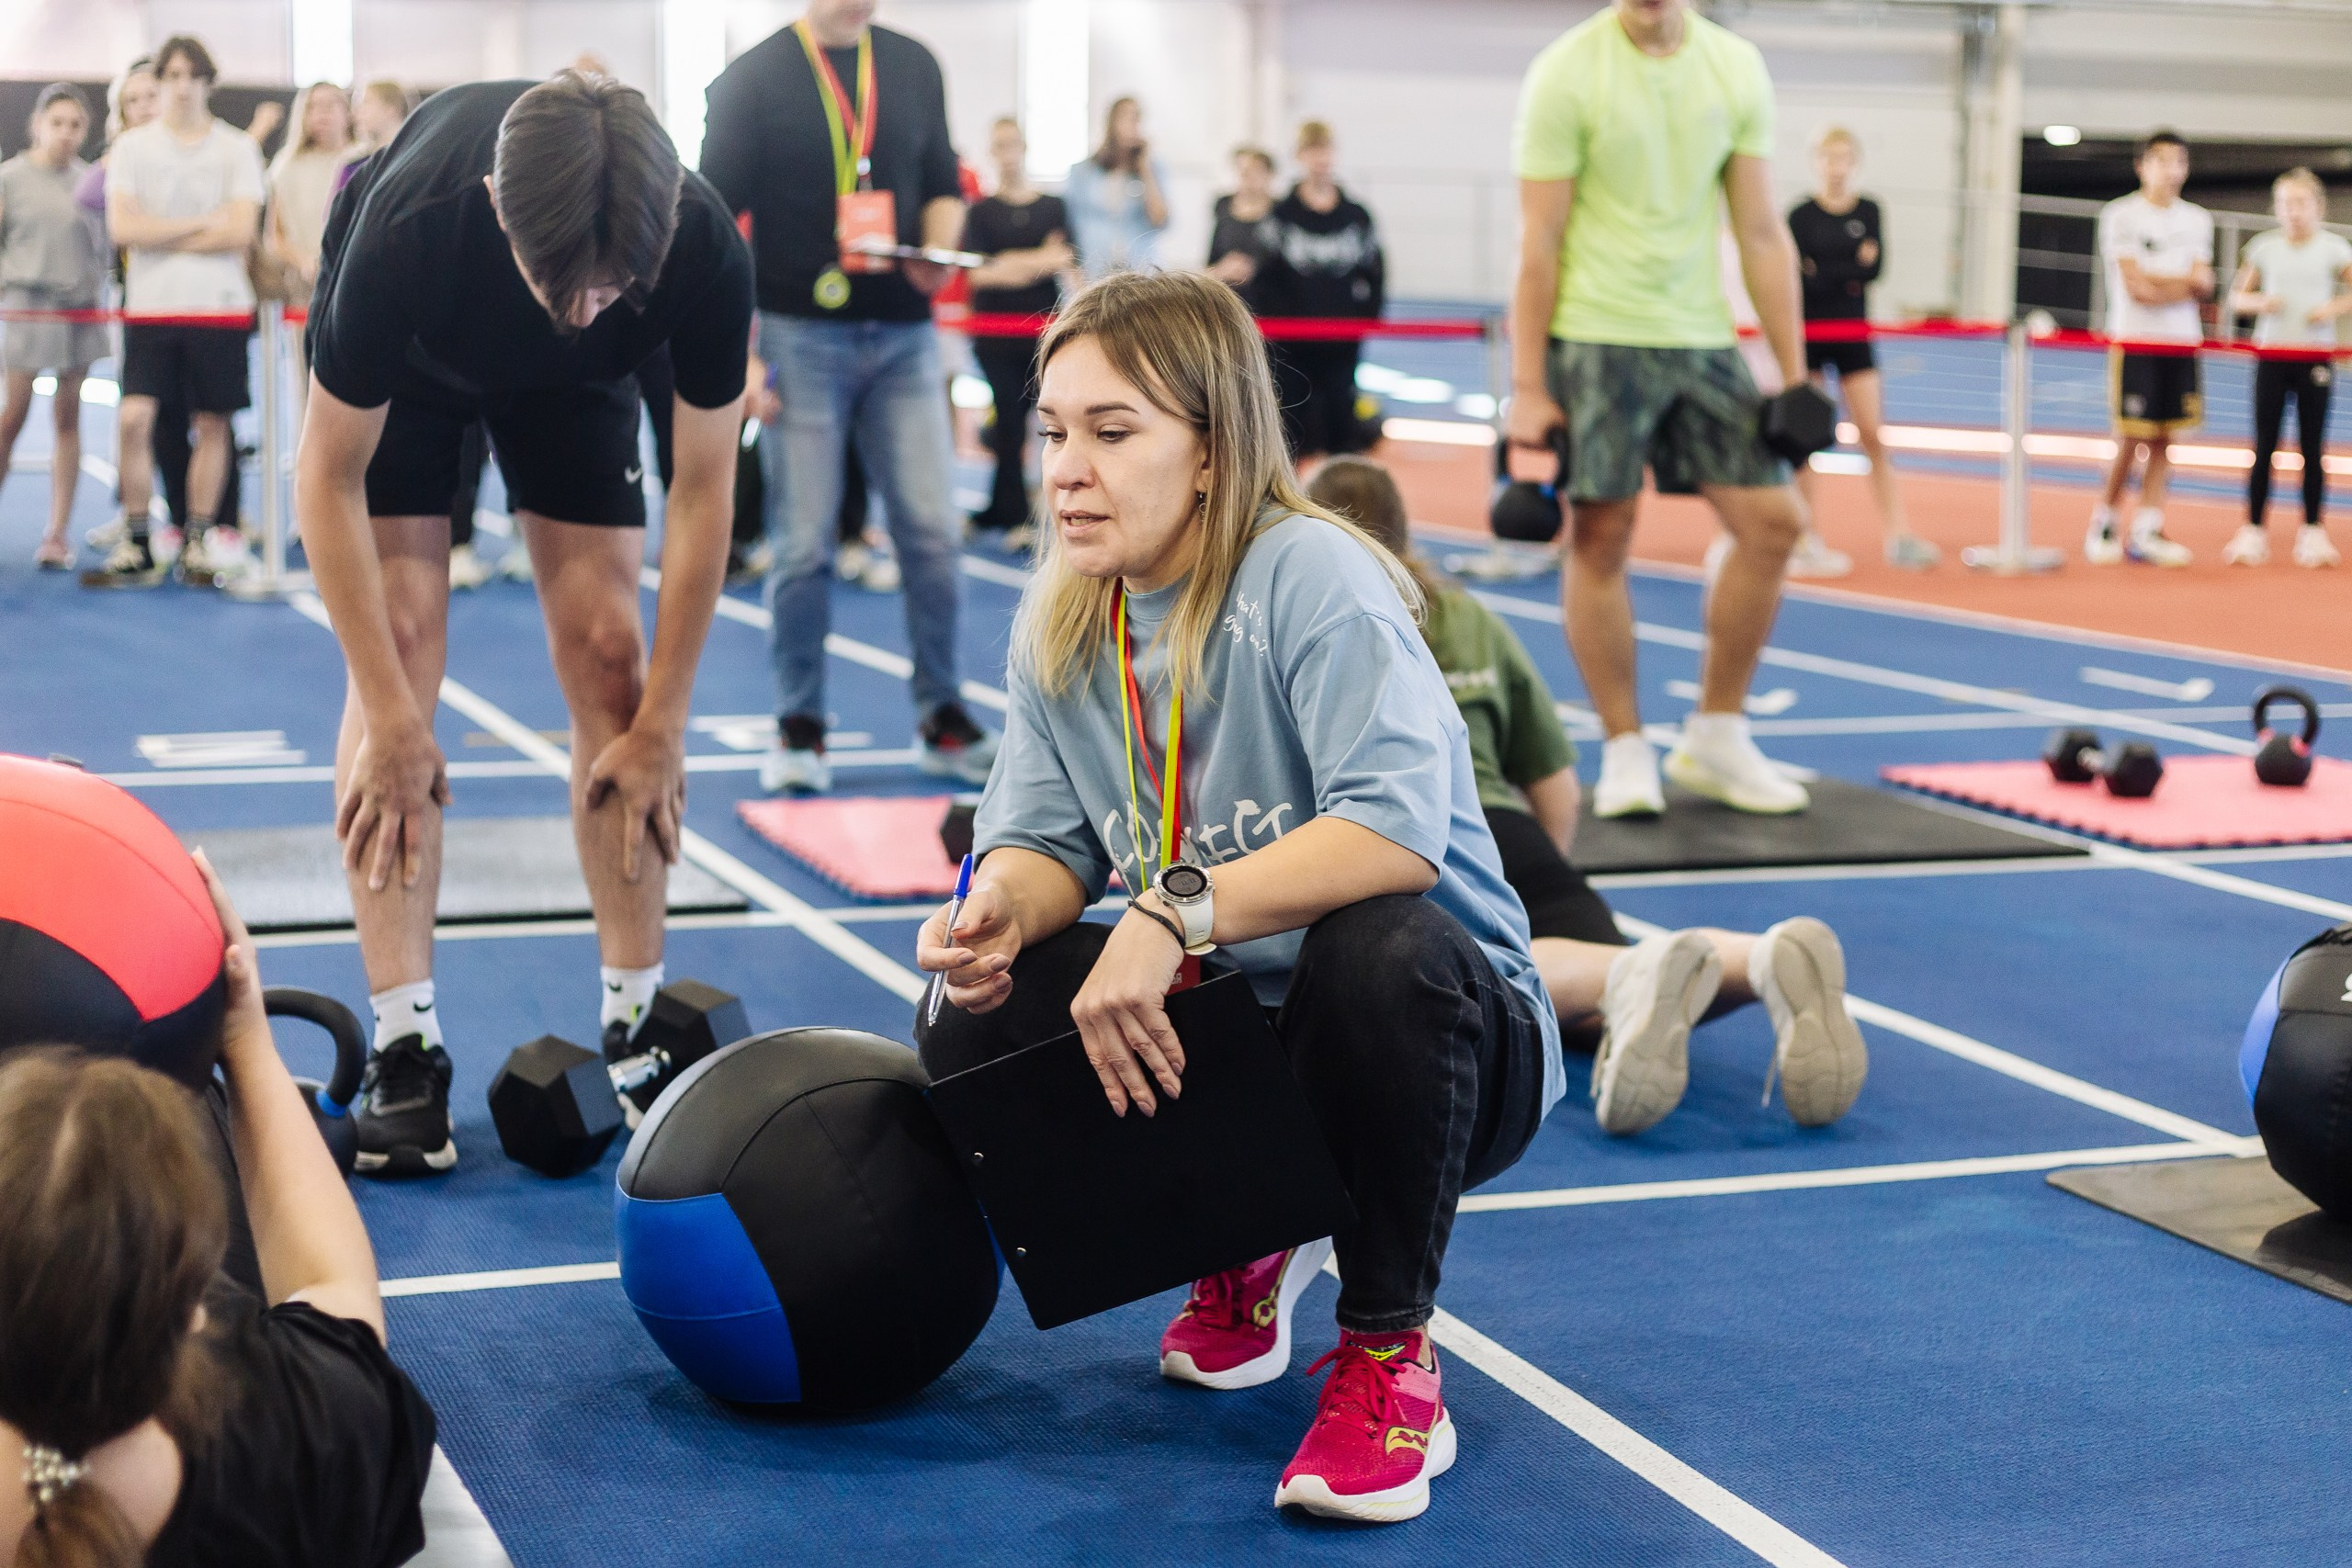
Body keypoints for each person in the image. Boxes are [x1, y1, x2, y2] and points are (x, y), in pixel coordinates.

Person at [914, 270, 1560, 1525]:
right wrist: (991, 911)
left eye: (1113, 432)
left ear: (1211, 451)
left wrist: (1165, 911)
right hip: (1246, 1043)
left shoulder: (1312, 572)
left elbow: (1393, 832)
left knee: (1377, 950)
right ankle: (1246, 1233)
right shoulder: (1067, 614)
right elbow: (1039, 841)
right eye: (1052, 431)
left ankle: (1389, 1354)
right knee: (978, 1012)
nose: (1066, 471)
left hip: (1449, 1044)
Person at [299, 71, 754, 1174]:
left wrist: (665, 725)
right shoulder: (411, 225)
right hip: (415, 373)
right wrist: (393, 721)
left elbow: (704, 492)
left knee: (612, 661)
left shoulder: (696, 242)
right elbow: (327, 477)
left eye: (614, 288)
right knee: (402, 648)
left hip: (572, 393)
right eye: (569, 285)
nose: (590, 307)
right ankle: (405, 1043)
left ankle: (635, 1021)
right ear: (501, 205)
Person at [1306, 456, 1866, 1134]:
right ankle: (1758, 960)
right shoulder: (1467, 616)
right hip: (1509, 831)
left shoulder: (1317, 621)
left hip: (1410, 841)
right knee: (1598, 1009)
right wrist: (1541, 870)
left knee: (1513, 977)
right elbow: (1555, 783)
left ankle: (1631, 972)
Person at [0, 852, 435, 1566]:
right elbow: (334, 1289)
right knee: (177, 1107)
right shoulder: (297, 1439)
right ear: (195, 1311)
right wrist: (245, 1039)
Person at [1509, 0, 1812, 821]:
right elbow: (1539, 240)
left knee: (1773, 523)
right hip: (1595, 334)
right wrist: (1528, 383)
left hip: (1700, 335)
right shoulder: (1567, 72)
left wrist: (1794, 376)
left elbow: (1760, 230)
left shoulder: (1735, 67)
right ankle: (1624, 745)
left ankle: (1717, 731)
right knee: (1602, 535)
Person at [701, 0, 1001, 796]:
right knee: (803, 546)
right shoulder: (753, 78)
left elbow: (943, 183)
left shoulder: (913, 63)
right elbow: (711, 220)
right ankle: (799, 724)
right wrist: (739, 354)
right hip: (798, 336)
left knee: (932, 533)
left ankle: (943, 716)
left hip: (903, 334)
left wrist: (936, 248)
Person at [93, 35, 266, 589]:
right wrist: (202, 223)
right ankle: (139, 538)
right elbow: (124, 228)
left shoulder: (236, 148)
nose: (183, 86)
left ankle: (198, 538)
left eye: (193, 76)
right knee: (134, 419)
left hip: (220, 308)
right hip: (150, 308)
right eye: (172, 75)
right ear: (160, 80)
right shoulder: (132, 148)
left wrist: (161, 231)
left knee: (212, 422)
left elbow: (240, 231)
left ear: (208, 83)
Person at [1789, 127, 1935, 570]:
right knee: (1806, 439)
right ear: (1817, 161)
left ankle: (1900, 534)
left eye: (1844, 158)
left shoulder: (1869, 210)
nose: (1836, 167)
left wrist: (1827, 270)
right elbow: (1804, 279)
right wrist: (1848, 268)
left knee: (1872, 433)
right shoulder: (1799, 216)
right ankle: (1805, 536)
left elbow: (1874, 271)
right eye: (1829, 157)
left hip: (1854, 335)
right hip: (1811, 335)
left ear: (1855, 163)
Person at [2088, 130, 2213, 569]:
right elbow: (2137, 288)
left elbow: (2204, 284)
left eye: (2179, 161)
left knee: (2165, 437)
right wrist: (2182, 283)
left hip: (2181, 340)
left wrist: (2163, 280)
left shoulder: (2197, 220)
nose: (2171, 170)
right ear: (2142, 166)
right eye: (2161, 161)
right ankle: (2104, 522)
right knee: (2130, 436)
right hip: (2135, 338)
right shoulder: (2120, 215)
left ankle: (2147, 527)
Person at [0, 84, 107, 570]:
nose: (66, 133)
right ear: (37, 125)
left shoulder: (91, 181)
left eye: (76, 125)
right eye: (57, 123)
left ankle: (57, 533)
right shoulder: (11, 178)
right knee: (12, 415)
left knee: (68, 417)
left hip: (79, 307)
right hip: (27, 305)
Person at [2223, 167, 2352, 570]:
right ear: (2276, 208)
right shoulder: (2264, 247)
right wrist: (2261, 302)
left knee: (2313, 447)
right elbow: (2236, 298)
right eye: (2286, 203)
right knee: (2265, 445)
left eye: (2301, 203)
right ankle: (2253, 530)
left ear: (2318, 207)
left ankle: (2313, 531)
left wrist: (2333, 307)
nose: (2294, 211)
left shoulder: (2334, 248)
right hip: (2272, 356)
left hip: (2315, 356)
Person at [964, 116, 1073, 541]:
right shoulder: (981, 212)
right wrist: (1039, 260)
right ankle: (1012, 512)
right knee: (1008, 416)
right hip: (994, 333)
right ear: (992, 153)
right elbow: (979, 275)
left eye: (1013, 143)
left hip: (1041, 332)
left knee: (1030, 420)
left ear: (1024, 147)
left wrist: (1008, 263)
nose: (1008, 153)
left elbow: (1066, 260)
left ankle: (1006, 507)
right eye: (1000, 145)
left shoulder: (1053, 206)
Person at [1260, 120, 1384, 459]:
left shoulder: (1356, 215)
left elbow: (1376, 270)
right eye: (1313, 150)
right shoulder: (1280, 215)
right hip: (1291, 344)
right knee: (1289, 430)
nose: (1321, 159)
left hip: (1342, 341)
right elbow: (1265, 275)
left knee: (1342, 424)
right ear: (1299, 156)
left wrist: (1366, 318)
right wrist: (1278, 325)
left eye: (1326, 149)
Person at [264, 83, 354, 429]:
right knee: (307, 385)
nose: (322, 114)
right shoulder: (286, 167)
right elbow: (274, 236)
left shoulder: (364, 159)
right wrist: (303, 260)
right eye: (314, 107)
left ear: (347, 111)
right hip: (305, 290)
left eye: (331, 105)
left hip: (355, 285)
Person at [1064, 96, 1168, 280]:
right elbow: (1071, 226)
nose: (1130, 125)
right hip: (1095, 267)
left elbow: (1160, 220)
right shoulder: (1083, 171)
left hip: (1140, 267)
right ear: (1111, 122)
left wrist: (1144, 167)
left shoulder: (1152, 169)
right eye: (1124, 117)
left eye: (1135, 118)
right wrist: (1074, 272)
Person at [1205, 145, 1280, 311]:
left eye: (1255, 171)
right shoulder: (1223, 207)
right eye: (1243, 171)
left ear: (1269, 174)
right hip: (1229, 303)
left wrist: (1255, 269)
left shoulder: (1282, 211)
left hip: (1271, 305)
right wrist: (1222, 270)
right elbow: (1210, 262)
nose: (1248, 177)